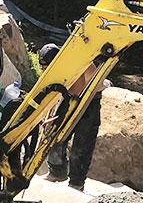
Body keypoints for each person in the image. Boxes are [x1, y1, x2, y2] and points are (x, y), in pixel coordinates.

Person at [38, 43, 105, 192]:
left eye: (47, 67)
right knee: (53, 132)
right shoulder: (60, 62)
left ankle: (77, 182)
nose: (45, 70)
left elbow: (76, 90)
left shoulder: (76, 62)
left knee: (82, 143)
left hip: (88, 99)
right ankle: (56, 172)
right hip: (70, 95)